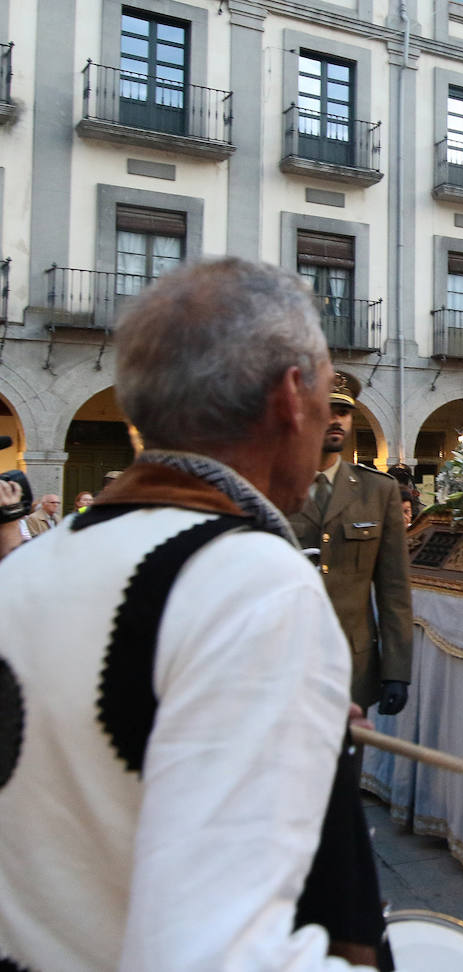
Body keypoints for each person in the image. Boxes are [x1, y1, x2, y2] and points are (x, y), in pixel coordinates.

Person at [0, 259, 385, 970]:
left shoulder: (23, 570)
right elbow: (219, 957)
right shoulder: (253, 586)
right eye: (330, 390)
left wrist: (274, 719)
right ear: (290, 397)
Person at [288, 379, 412, 717]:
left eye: (343, 412)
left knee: (346, 767)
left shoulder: (377, 491)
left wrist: (396, 671)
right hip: (285, 665)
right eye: (325, 411)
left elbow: (394, 591)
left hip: (351, 667)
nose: (336, 420)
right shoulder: (274, 489)